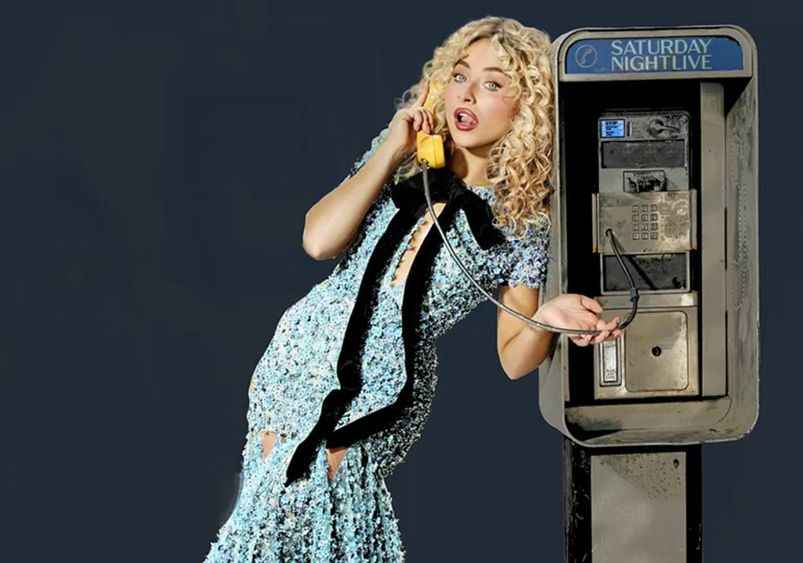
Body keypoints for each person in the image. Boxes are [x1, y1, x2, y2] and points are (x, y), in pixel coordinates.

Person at [203, 16, 622, 562]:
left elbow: (514, 359)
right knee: (262, 529)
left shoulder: (523, 222)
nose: (466, 94)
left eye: (493, 84)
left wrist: (553, 315)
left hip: (384, 383)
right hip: (297, 362)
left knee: (330, 531)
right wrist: (392, 148)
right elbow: (318, 240)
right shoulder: (401, 161)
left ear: (527, 108)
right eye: (460, 75)